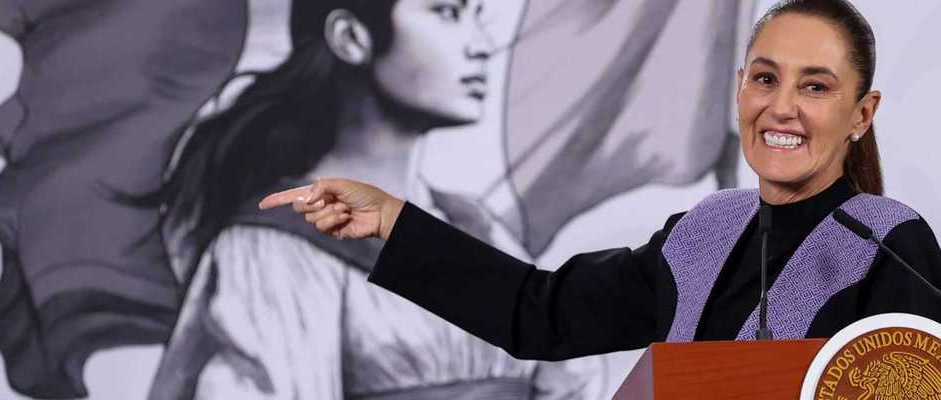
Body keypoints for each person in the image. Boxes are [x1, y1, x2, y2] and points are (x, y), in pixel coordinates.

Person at [261, 0, 941, 361]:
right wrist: (392, 219)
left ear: (862, 114)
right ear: (739, 89)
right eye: (765, 78)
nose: (782, 107)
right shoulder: (703, 235)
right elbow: (541, 313)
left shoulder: (891, 248)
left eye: (816, 86)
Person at [150, 0, 602, 398]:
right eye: (446, 11)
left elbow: (568, 378)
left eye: (476, 14)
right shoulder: (276, 248)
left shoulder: (477, 229)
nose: (482, 44)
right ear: (351, 38)